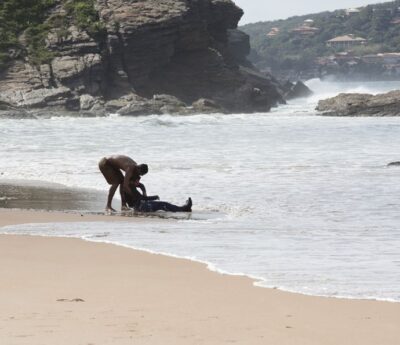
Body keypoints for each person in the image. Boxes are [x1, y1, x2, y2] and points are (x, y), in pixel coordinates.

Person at [125, 179, 192, 213]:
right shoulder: (131, 189)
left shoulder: (130, 186)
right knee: (162, 204)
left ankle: (181, 208)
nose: (138, 182)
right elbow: (144, 198)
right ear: (132, 181)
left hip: (140, 205)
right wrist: (155, 197)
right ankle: (183, 209)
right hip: (140, 207)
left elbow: (141, 191)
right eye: (137, 181)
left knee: (163, 204)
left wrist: (142, 188)